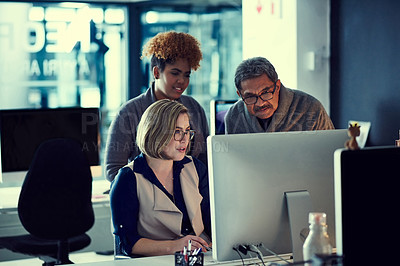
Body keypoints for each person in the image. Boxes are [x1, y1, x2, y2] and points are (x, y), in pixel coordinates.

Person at [110, 99, 212, 257]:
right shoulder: (127, 178)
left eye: (187, 131)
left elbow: (211, 223)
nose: (184, 139)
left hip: (200, 257)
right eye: (177, 131)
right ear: (155, 132)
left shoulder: (196, 167)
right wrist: (176, 245)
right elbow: (128, 244)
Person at [104, 31, 209, 182]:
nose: (182, 81)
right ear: (156, 72)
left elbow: (205, 158)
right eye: (175, 73)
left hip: (192, 196)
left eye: (186, 75)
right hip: (147, 200)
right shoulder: (130, 112)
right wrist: (147, 190)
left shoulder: (193, 107)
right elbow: (113, 169)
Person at [225, 57, 334, 134]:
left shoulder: (311, 108)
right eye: (250, 97)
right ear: (240, 94)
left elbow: (331, 155)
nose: (260, 103)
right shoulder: (233, 116)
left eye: (265, 93)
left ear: (277, 86)